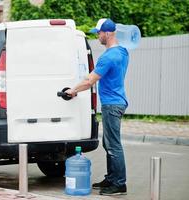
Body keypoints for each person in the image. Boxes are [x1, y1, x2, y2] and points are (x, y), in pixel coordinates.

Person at [66, 18, 128, 196]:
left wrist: (73, 90)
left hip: (112, 104)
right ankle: (111, 178)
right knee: (107, 142)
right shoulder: (123, 52)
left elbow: (89, 80)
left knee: (113, 145)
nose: (98, 36)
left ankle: (119, 184)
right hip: (117, 101)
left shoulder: (108, 57)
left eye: (99, 33)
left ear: (107, 33)